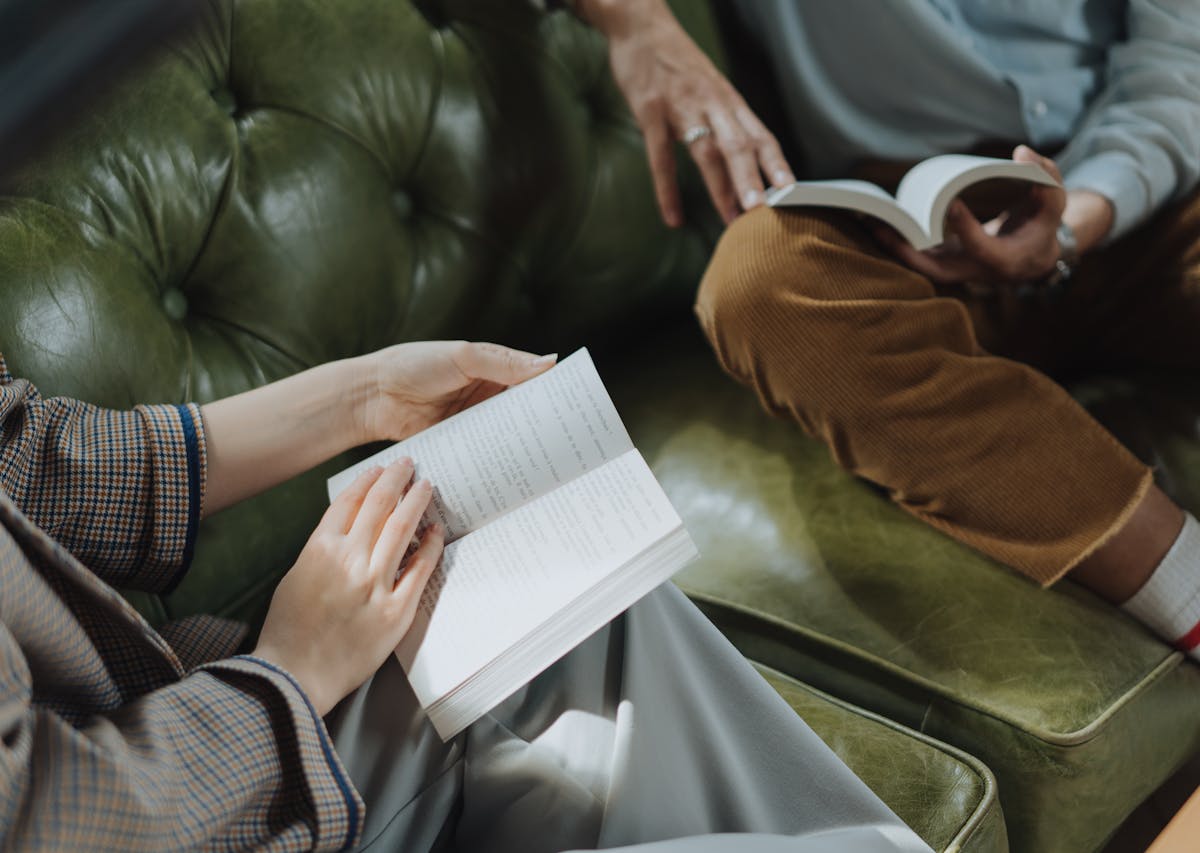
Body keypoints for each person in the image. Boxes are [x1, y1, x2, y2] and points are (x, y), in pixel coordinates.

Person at [0, 341, 932, 851]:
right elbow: (44, 822)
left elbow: (32, 455)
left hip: (185, 716)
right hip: (178, 802)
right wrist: (293, 667)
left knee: (568, 603)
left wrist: (363, 396)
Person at [586, 0, 1200, 656]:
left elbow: (1178, 64)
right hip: (901, 235)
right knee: (759, 279)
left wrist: (1076, 221)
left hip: (1126, 192)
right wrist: (633, 21)